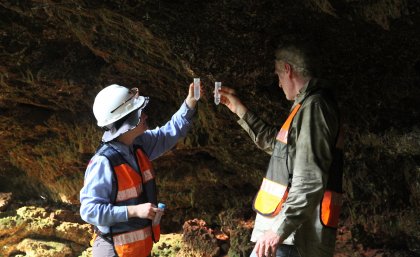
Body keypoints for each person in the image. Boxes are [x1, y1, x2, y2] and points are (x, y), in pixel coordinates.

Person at [219, 42, 344, 257]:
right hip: (286, 234)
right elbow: (280, 148)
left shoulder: (315, 107)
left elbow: (310, 178)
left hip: (293, 236)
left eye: (278, 75)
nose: (278, 83)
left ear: (288, 69)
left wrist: (278, 230)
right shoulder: (304, 107)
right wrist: (238, 109)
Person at [80, 82, 199, 257]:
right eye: (139, 112)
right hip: (113, 251)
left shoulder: (138, 145)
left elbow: (169, 133)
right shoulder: (103, 162)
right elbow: (89, 211)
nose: (145, 115)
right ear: (128, 120)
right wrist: (134, 211)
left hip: (138, 250)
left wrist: (190, 102)